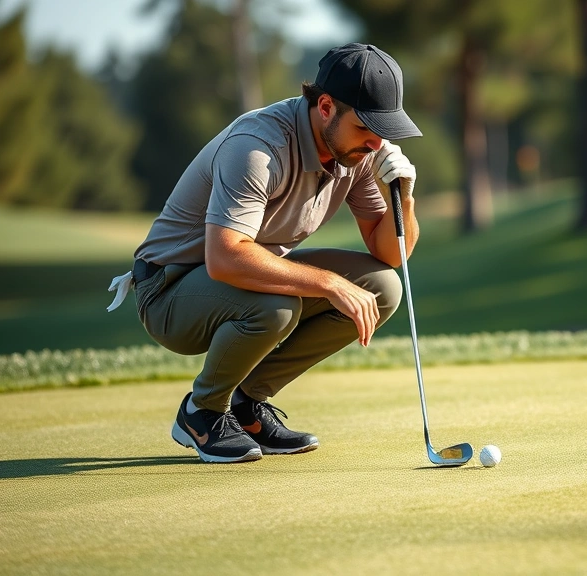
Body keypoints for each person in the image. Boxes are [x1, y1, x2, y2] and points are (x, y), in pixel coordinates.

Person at [106, 43, 422, 463]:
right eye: (367, 126)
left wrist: (403, 195)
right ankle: (201, 412)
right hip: (170, 290)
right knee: (278, 303)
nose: (377, 141)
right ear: (326, 106)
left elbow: (390, 254)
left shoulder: (360, 153)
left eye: (385, 128)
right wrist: (328, 284)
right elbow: (225, 257)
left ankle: (246, 404)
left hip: (242, 277)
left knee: (383, 287)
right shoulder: (258, 147)